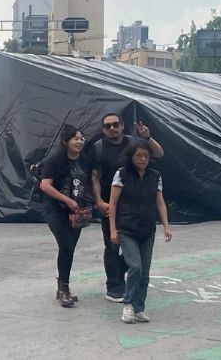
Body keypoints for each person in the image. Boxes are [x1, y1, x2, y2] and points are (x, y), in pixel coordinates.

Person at [87, 113, 164, 302]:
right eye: (107, 126)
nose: (112, 128)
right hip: (110, 205)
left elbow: (158, 153)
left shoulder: (132, 143)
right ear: (103, 129)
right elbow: (95, 177)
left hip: (134, 206)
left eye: (115, 124)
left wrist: (147, 137)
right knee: (113, 246)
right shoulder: (98, 148)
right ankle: (114, 286)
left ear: (122, 126)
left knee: (132, 249)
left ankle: (128, 281)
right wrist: (98, 201)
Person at [108, 140, 173, 324]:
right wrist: (113, 229)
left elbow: (160, 203)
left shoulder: (155, 176)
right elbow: (112, 204)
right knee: (135, 267)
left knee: (144, 271)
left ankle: (139, 308)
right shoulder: (122, 174)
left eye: (146, 156)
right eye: (139, 155)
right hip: (127, 229)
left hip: (148, 229)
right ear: (131, 156)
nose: (143, 159)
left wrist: (166, 225)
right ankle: (128, 304)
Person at [39, 125, 94, 308]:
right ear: (65, 141)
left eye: (81, 138)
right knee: (66, 244)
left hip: (77, 210)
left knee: (70, 248)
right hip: (56, 209)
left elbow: (89, 182)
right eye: (75, 138)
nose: (79, 141)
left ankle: (63, 286)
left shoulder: (85, 161)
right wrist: (67, 200)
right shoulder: (54, 160)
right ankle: (63, 288)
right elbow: (45, 185)